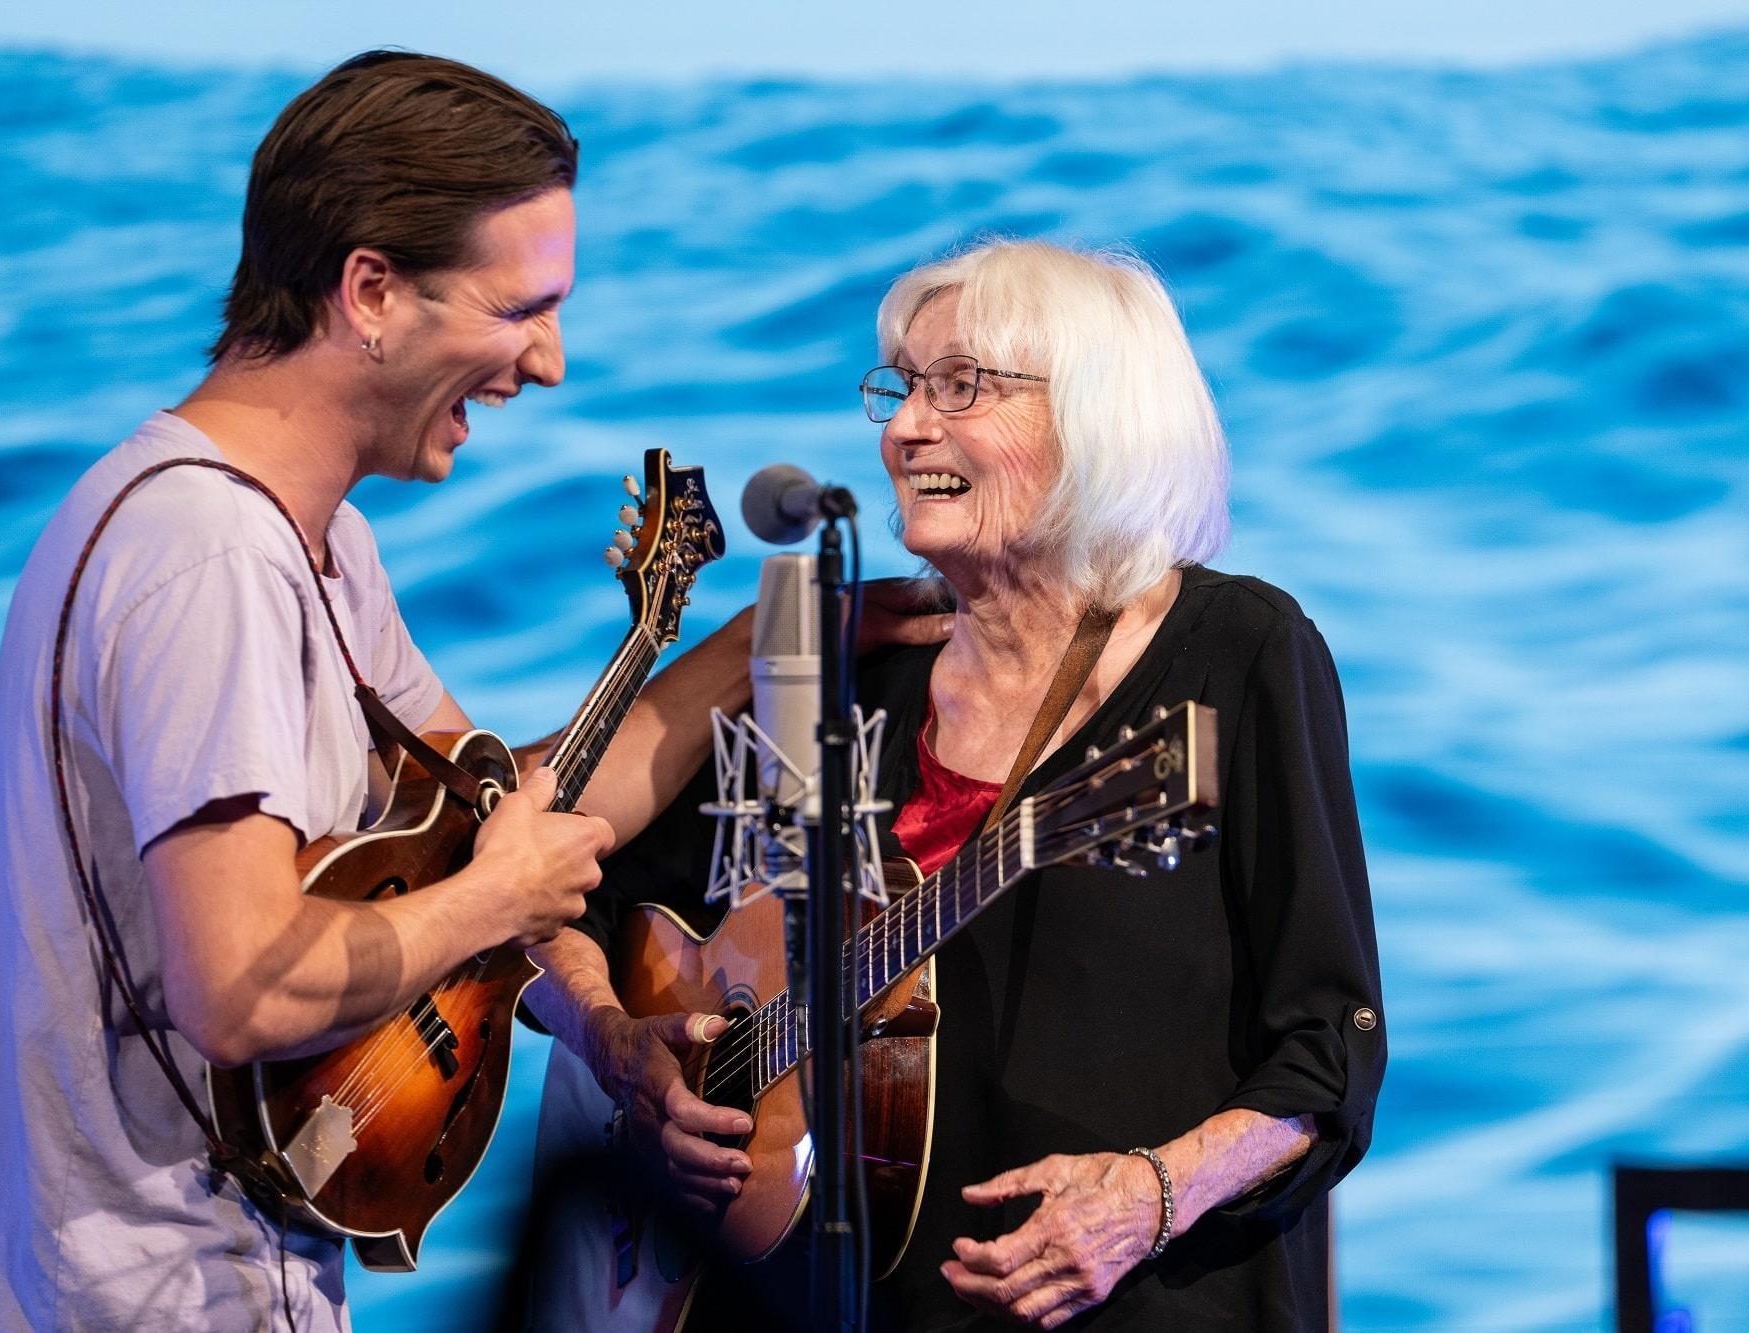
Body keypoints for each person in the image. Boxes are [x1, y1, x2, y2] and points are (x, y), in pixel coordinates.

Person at [0, 51, 756, 1332]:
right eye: (519, 309)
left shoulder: (305, 543)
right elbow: (244, 988)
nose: (547, 363)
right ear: (371, 291)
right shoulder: (208, 558)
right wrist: (494, 896)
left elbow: (499, 811)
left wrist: (603, 1020)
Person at [529, 239, 1385, 1330]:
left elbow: (1323, 1051)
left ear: (1095, 415)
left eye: (959, 386)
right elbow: (555, 879)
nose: (901, 427)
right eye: (898, 386)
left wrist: (1149, 1196)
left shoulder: (1235, 650)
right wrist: (616, 1045)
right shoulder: (855, 676)